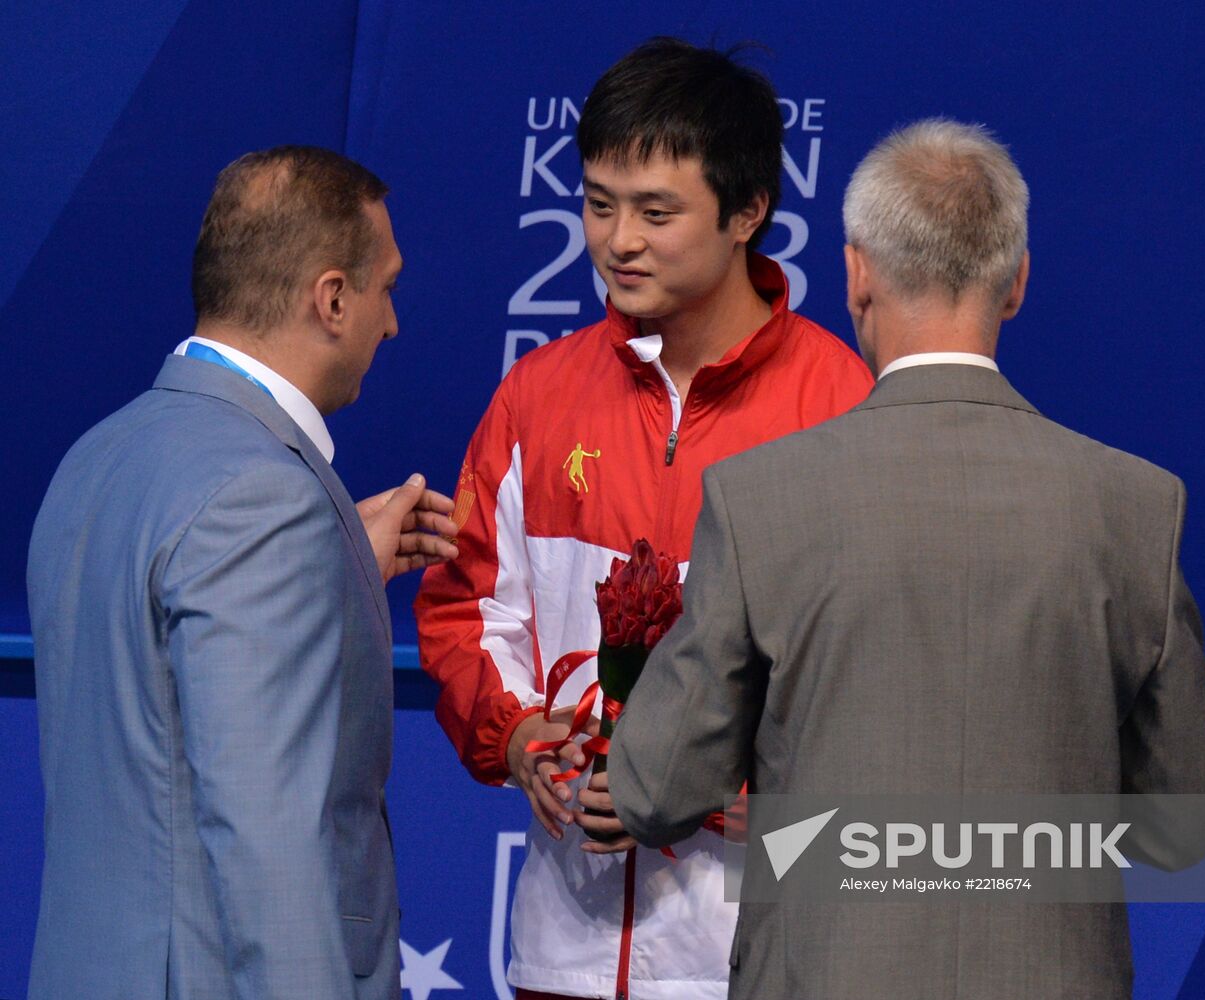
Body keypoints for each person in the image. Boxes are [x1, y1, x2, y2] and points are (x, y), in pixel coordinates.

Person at [608, 119, 1205, 998]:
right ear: (1015, 284)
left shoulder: (761, 499)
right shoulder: (1136, 507)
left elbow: (656, 787)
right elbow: (1188, 827)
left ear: (856, 275)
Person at [414, 38, 873, 1000]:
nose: (617, 239)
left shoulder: (840, 403)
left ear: (748, 212)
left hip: (760, 955)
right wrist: (519, 740)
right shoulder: (538, 395)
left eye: (657, 211)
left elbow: (885, 666)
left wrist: (788, 796)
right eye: (597, 202)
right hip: (564, 952)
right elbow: (467, 613)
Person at [27, 145, 458, 1000]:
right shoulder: (265, 498)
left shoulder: (96, 453)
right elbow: (269, 842)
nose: (393, 323)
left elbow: (161, 714)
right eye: (387, 289)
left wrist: (337, 572)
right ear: (332, 299)